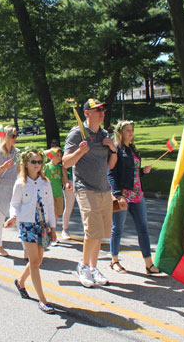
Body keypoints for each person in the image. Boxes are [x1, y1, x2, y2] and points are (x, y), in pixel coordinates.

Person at [63, 98, 118, 288]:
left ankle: (94, 268)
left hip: (103, 188)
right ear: (87, 113)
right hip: (85, 188)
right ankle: (83, 266)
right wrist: (79, 152)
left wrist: (113, 149)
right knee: (92, 231)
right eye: (97, 110)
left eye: (103, 109)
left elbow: (111, 165)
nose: (102, 112)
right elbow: (66, 162)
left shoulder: (104, 134)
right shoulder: (77, 133)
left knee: (101, 233)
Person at [4, 149, 57, 313]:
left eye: (40, 162)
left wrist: (53, 228)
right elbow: (14, 204)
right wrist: (13, 217)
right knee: (34, 262)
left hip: (43, 225)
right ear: (25, 164)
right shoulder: (20, 183)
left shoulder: (45, 182)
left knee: (38, 260)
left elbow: (50, 206)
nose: (38, 165)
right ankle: (42, 300)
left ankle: (20, 281)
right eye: (34, 162)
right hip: (27, 225)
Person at [107, 120, 160, 274]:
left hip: (137, 194)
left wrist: (143, 171)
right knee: (117, 229)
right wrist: (118, 195)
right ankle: (114, 261)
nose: (131, 133)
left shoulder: (133, 149)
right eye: (127, 130)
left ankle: (149, 264)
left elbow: (132, 172)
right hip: (123, 194)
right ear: (120, 133)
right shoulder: (116, 149)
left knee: (143, 228)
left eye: (132, 129)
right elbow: (111, 173)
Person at [0, 126, 20, 257]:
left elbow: (19, 170)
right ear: (5, 136)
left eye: (16, 135)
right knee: (0, 217)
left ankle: (26, 247)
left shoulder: (17, 151)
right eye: (13, 136)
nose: (15, 138)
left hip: (14, 186)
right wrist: (3, 167)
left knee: (18, 217)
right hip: (1, 187)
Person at [44, 146, 69, 246]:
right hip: (48, 195)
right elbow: (42, 178)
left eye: (60, 156)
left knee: (55, 215)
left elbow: (64, 180)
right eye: (57, 155)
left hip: (58, 194)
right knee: (50, 215)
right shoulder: (46, 166)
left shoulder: (61, 168)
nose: (59, 157)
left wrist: (67, 184)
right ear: (52, 156)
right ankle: (50, 235)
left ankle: (52, 234)